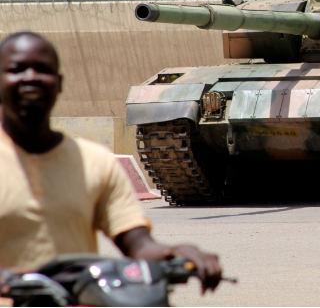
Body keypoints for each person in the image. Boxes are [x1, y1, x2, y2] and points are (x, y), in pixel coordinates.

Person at [0, 32, 222, 293]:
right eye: (17, 69)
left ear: (59, 83)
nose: (31, 77)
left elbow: (138, 245)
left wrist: (176, 251)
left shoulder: (95, 162)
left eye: (43, 69)